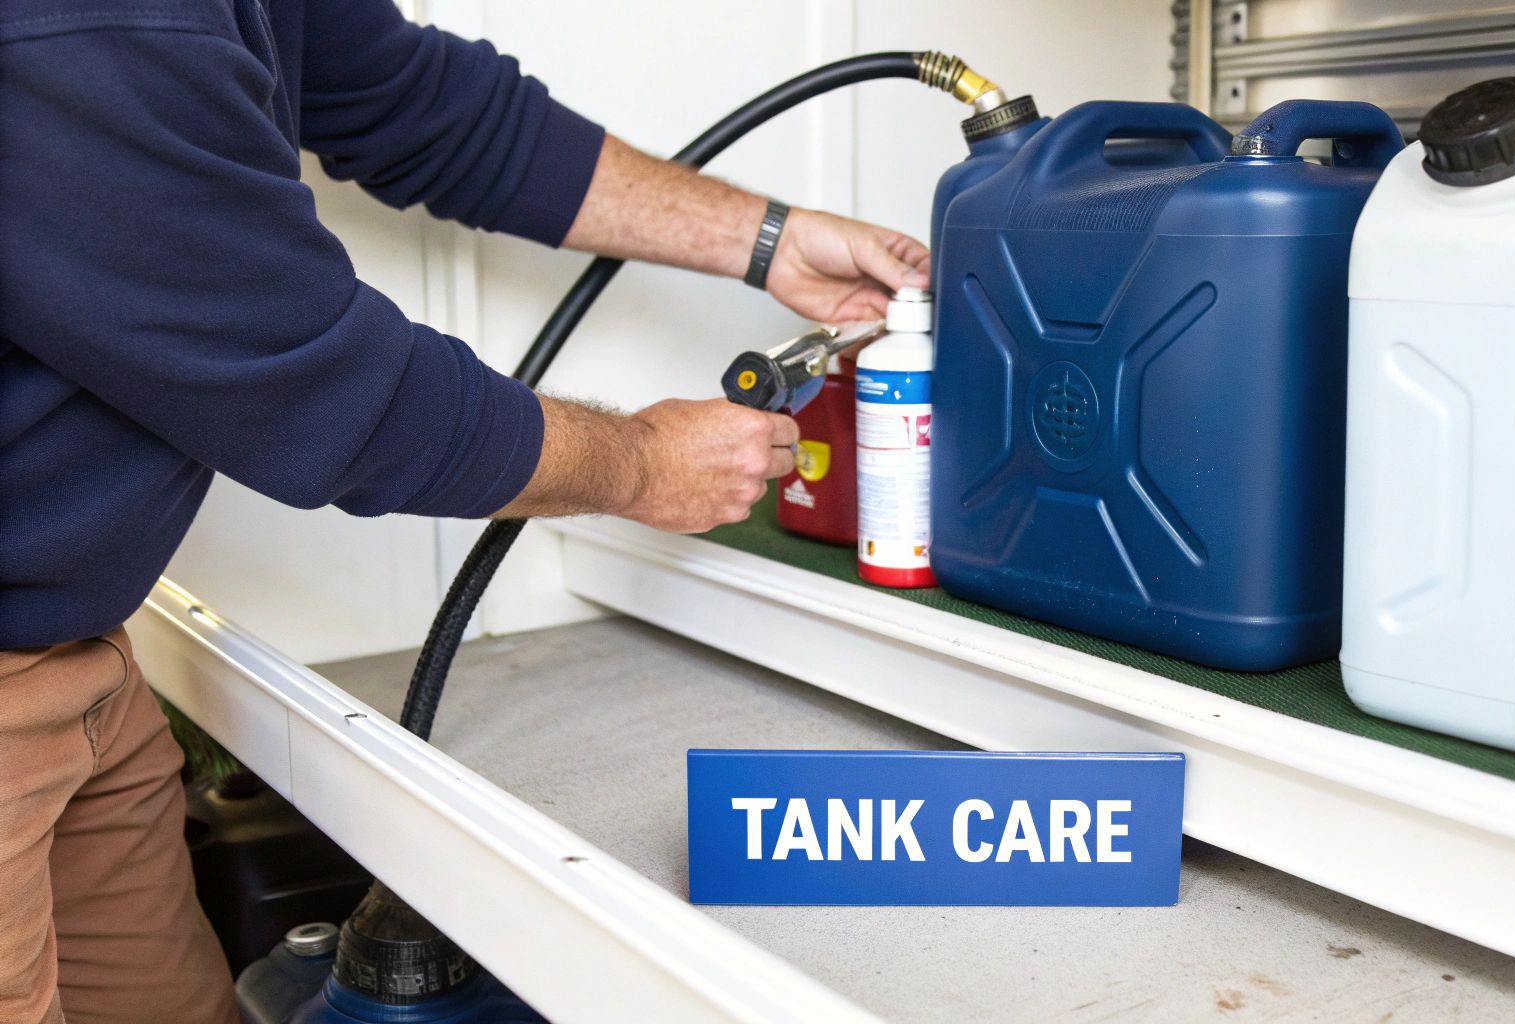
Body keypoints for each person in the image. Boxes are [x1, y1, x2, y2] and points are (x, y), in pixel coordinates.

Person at [0, 1, 931, 1021]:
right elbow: (319, 388)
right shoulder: (83, 25)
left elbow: (418, 101)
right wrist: (641, 464)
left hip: (79, 660)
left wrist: (769, 240)